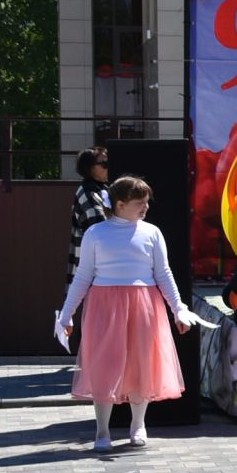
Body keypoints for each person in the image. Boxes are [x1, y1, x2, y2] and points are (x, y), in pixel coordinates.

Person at [56, 175, 195, 451]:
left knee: (141, 362)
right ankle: (102, 431)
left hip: (144, 304)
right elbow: (82, 276)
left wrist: (178, 308)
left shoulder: (152, 232)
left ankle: (138, 425)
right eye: (139, 203)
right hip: (104, 305)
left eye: (146, 202)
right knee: (105, 365)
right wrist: (65, 315)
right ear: (120, 204)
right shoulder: (96, 233)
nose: (145, 207)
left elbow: (163, 273)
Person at [67, 147, 110, 286]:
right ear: (89, 168)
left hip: (100, 267)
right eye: (104, 164)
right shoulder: (88, 192)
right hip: (94, 270)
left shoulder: (103, 189)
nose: (109, 167)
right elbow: (101, 231)